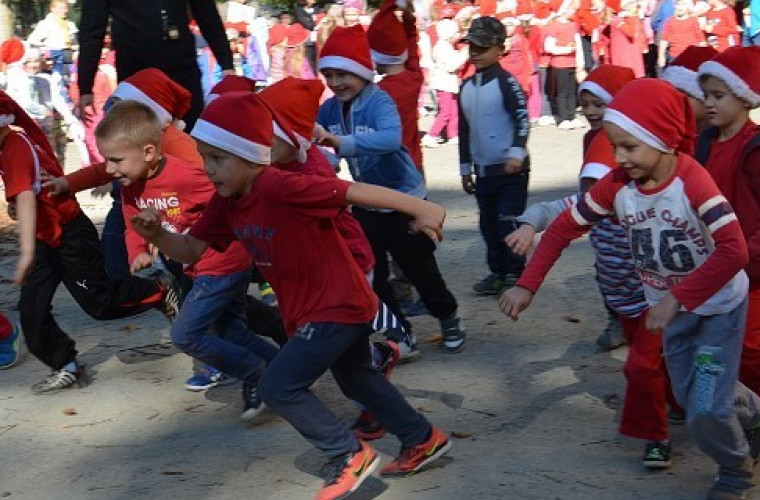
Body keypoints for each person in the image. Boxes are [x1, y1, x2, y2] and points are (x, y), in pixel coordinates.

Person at [130, 90, 451, 500]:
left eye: (218, 158)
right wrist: (158, 235)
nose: (208, 170)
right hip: (317, 309)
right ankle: (422, 438)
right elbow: (193, 250)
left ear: (250, 156)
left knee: (278, 385)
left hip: (336, 303)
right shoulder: (227, 202)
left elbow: (348, 191)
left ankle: (347, 455)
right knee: (355, 378)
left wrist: (418, 207)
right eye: (204, 157)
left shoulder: (281, 186)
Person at [500, 78, 760, 499]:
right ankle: (754, 414)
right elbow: (566, 226)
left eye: (629, 146)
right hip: (671, 311)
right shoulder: (619, 184)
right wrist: (527, 285)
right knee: (694, 393)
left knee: (703, 410)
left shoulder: (693, 182)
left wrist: (677, 298)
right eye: (614, 145)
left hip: (717, 309)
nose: (618, 157)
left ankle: (736, 472)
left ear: (661, 138)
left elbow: (733, 251)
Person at [508, 66, 688, 469]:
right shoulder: (604, 169)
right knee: (659, 364)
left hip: (657, 294)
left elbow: (716, 238)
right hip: (620, 291)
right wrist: (529, 256)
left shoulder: (666, 179)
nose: (589, 111)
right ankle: (677, 405)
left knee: (642, 365)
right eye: (585, 103)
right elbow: (570, 213)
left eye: (597, 103)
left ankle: (656, 437)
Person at [94, 99, 279, 420]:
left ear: (149, 152)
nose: (110, 169)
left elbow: (232, 193)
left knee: (185, 334)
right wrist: (138, 250)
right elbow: (132, 221)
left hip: (221, 263)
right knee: (232, 333)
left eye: (116, 160)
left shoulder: (188, 176)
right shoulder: (129, 186)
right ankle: (282, 373)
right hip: (196, 266)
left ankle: (257, 374)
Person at [0, 90, 181, 393]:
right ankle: (65, 364)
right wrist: (15, 209)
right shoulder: (7, 146)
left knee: (100, 303)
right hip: (44, 237)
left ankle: (158, 290)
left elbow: (27, 198)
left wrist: (26, 252)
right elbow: (25, 196)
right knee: (31, 308)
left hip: (69, 236)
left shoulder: (16, 147)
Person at [315, 25, 466, 353]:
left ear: (362, 72)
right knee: (373, 274)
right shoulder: (329, 108)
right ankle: (400, 333)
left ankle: (448, 315)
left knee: (419, 270)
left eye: (343, 74)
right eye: (328, 75)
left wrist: (340, 142)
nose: (336, 83)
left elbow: (390, 139)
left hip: (404, 200)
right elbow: (316, 141)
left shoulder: (379, 100)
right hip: (366, 203)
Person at [696, 46, 760, 399]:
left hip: (750, 270)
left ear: (745, 98)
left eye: (719, 95)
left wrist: (743, 258)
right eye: (706, 94)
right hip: (711, 265)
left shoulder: (755, 148)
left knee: (750, 348)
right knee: (713, 346)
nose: (709, 102)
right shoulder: (703, 143)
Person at [77, 0, 235, 130]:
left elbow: (207, 15)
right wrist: (85, 86)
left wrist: (226, 64)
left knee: (191, 145)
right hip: (136, 80)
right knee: (144, 151)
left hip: (183, 75)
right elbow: (92, 30)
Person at [458, 17, 530, 295]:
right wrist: (465, 168)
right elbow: (464, 129)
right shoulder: (465, 87)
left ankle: (516, 272)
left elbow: (522, 119)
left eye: (483, 47)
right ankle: (497, 272)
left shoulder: (506, 82)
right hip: (484, 171)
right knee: (488, 225)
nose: (475, 53)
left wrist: (516, 152)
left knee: (507, 222)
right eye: (472, 46)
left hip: (511, 171)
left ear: (500, 49)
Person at [368, 0, 425, 172]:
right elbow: (412, 49)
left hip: (389, 165)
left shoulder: (376, 92)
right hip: (414, 161)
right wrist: (409, 22)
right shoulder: (414, 78)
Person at [421, 18, 468, 147]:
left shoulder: (445, 46)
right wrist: (464, 54)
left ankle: (453, 134)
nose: (459, 35)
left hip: (449, 84)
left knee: (454, 110)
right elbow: (452, 66)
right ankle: (432, 135)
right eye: (457, 33)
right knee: (446, 112)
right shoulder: (443, 48)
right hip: (444, 84)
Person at [544, 8, 585, 128]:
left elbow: (578, 44)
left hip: (572, 63)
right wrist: (566, 50)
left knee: (572, 91)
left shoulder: (573, 25)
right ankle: (562, 118)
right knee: (562, 91)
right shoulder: (554, 26)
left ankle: (571, 116)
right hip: (559, 64)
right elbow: (549, 47)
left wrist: (579, 63)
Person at [26, 0, 77, 79]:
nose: (64, 11)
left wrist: (75, 49)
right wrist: (46, 50)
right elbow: (32, 40)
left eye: (66, 8)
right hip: (53, 59)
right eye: (61, 8)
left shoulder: (70, 24)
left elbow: (75, 42)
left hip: (69, 58)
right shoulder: (45, 24)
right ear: (52, 9)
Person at [657, 0, 705, 70]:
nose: (680, 7)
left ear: (688, 7)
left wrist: (702, 56)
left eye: (683, 4)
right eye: (678, 4)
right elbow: (664, 40)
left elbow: (701, 39)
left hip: (691, 56)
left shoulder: (693, 20)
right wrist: (661, 56)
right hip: (675, 56)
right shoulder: (670, 21)